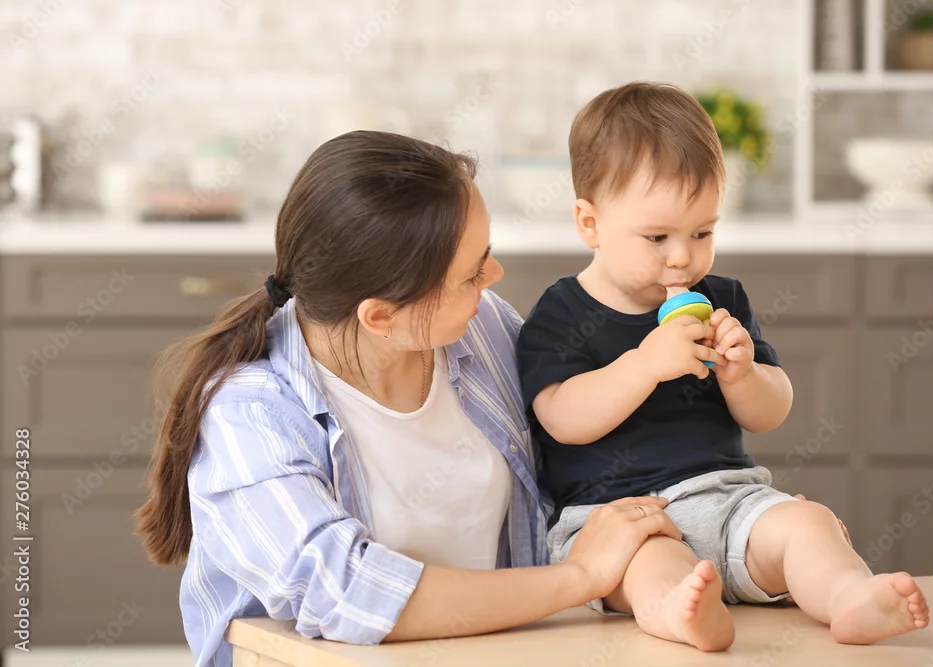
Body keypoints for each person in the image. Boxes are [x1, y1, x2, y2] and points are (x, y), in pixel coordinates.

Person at [134, 130, 681, 667]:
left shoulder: (481, 329)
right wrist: (580, 577)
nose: (494, 276)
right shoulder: (250, 414)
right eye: (472, 273)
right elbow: (346, 592)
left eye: (487, 253)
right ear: (380, 317)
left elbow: (576, 456)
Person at [515, 81, 930, 652]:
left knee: (806, 524)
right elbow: (561, 419)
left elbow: (770, 412)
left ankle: (849, 597)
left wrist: (744, 375)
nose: (683, 256)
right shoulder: (561, 312)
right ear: (590, 223)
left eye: (703, 232)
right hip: (622, 519)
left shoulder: (721, 299)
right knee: (648, 565)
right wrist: (643, 364)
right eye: (657, 236)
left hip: (731, 499)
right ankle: (680, 612)